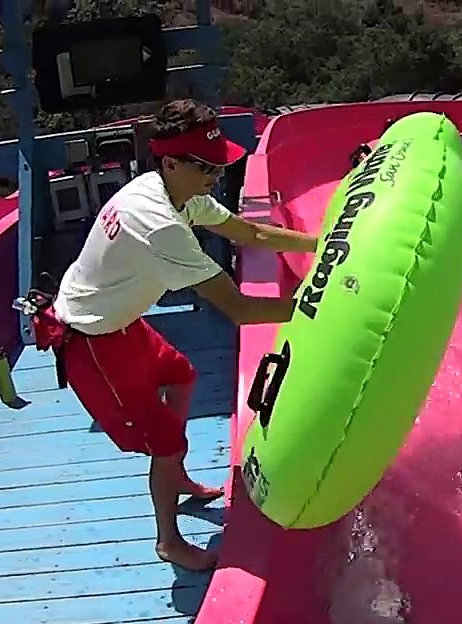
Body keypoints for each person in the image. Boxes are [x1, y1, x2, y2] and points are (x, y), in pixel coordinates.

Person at [39, 98, 319, 571]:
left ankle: (176, 474)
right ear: (170, 162)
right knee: (166, 442)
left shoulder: (175, 191)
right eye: (206, 166)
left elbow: (251, 235)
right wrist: (316, 309)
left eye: (220, 163)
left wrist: (323, 240)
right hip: (92, 341)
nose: (217, 173)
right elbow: (239, 308)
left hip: (122, 322)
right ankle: (168, 539)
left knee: (182, 375)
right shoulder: (161, 225)